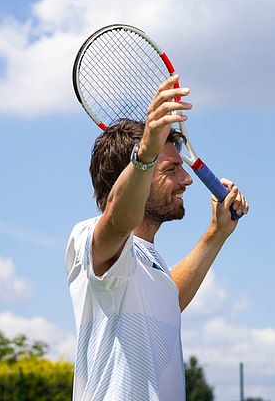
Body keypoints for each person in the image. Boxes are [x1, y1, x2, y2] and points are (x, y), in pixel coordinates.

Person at [65, 74, 249, 400]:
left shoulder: (146, 258)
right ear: (137, 172)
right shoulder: (90, 237)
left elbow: (167, 299)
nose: (186, 180)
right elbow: (118, 221)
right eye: (171, 169)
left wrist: (216, 234)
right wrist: (146, 154)